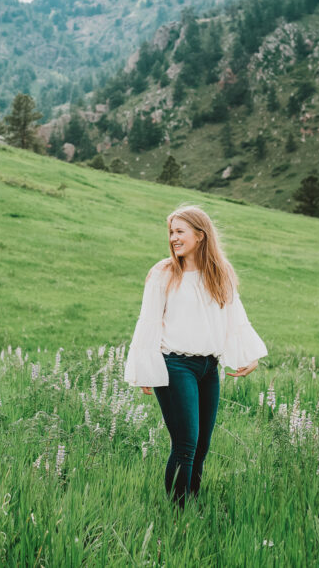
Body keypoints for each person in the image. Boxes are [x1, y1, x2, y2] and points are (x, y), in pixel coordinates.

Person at [123, 203, 268, 508]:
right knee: (186, 445)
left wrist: (249, 355)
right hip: (175, 366)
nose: (174, 238)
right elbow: (148, 321)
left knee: (202, 447)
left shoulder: (220, 272)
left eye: (180, 231)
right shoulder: (163, 272)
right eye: (171, 232)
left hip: (207, 368)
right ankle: (178, 515)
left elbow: (234, 317)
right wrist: (144, 368)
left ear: (201, 235)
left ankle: (192, 505)